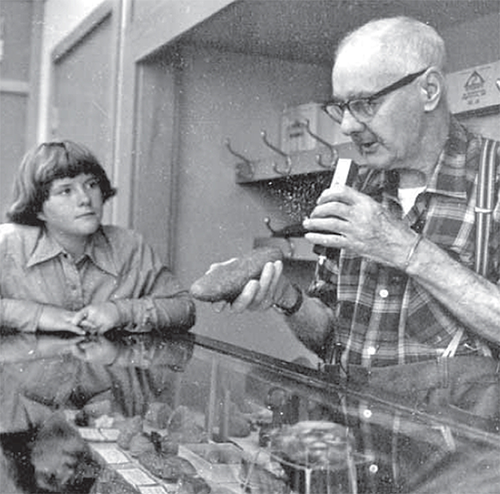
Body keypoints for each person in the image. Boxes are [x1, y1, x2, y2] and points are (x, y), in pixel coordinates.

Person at [213, 17, 500, 373]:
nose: (347, 125)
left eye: (365, 103)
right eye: (341, 108)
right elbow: (333, 340)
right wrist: (287, 298)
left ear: (428, 91)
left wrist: (403, 247)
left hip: (460, 429)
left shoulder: (495, 177)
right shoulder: (354, 187)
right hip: (354, 427)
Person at [0, 140, 195, 335]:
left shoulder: (129, 245)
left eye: (91, 185)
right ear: (38, 209)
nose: (85, 199)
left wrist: (121, 312)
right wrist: (37, 315)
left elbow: (184, 309)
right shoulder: (8, 244)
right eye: (66, 191)